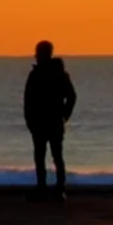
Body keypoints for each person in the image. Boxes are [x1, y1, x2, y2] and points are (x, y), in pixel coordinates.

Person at [24, 40, 77, 200]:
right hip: (50, 120)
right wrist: (64, 114)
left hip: (45, 120)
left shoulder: (39, 74)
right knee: (54, 155)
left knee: (45, 156)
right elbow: (71, 96)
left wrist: (64, 114)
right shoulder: (58, 74)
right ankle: (56, 188)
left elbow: (28, 100)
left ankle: (50, 188)